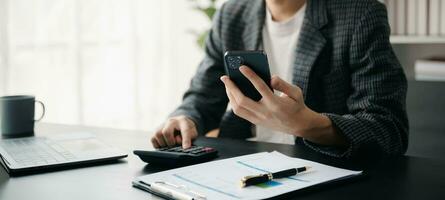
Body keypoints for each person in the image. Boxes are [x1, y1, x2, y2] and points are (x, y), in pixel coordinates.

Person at [150, 0, 409, 158]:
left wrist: (310, 124)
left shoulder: (360, 13)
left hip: (319, 166)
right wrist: (186, 117)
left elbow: (389, 130)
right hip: (241, 162)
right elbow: (203, 95)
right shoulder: (232, 14)